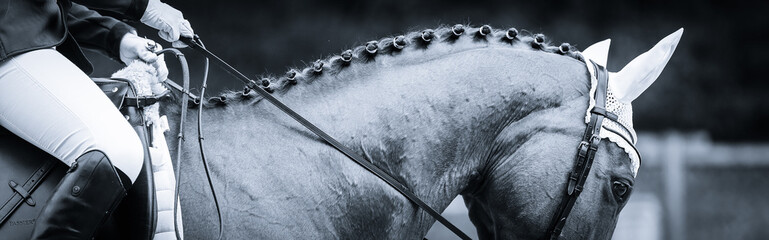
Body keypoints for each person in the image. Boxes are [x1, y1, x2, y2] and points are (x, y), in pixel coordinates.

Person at [0, 0, 193, 238]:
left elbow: (35, 9)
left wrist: (117, 37)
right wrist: (142, 6)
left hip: (20, 42)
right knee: (117, 150)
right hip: (8, 50)